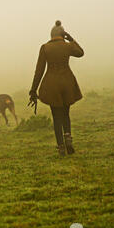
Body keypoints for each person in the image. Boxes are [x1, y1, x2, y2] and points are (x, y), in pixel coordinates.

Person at [29, 20, 84, 156]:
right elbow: (81, 53)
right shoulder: (67, 46)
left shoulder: (45, 48)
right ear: (62, 34)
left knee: (56, 116)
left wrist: (33, 89)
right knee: (66, 113)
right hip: (67, 82)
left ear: (51, 35)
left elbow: (39, 70)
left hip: (51, 84)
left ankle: (60, 147)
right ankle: (68, 138)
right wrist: (71, 39)